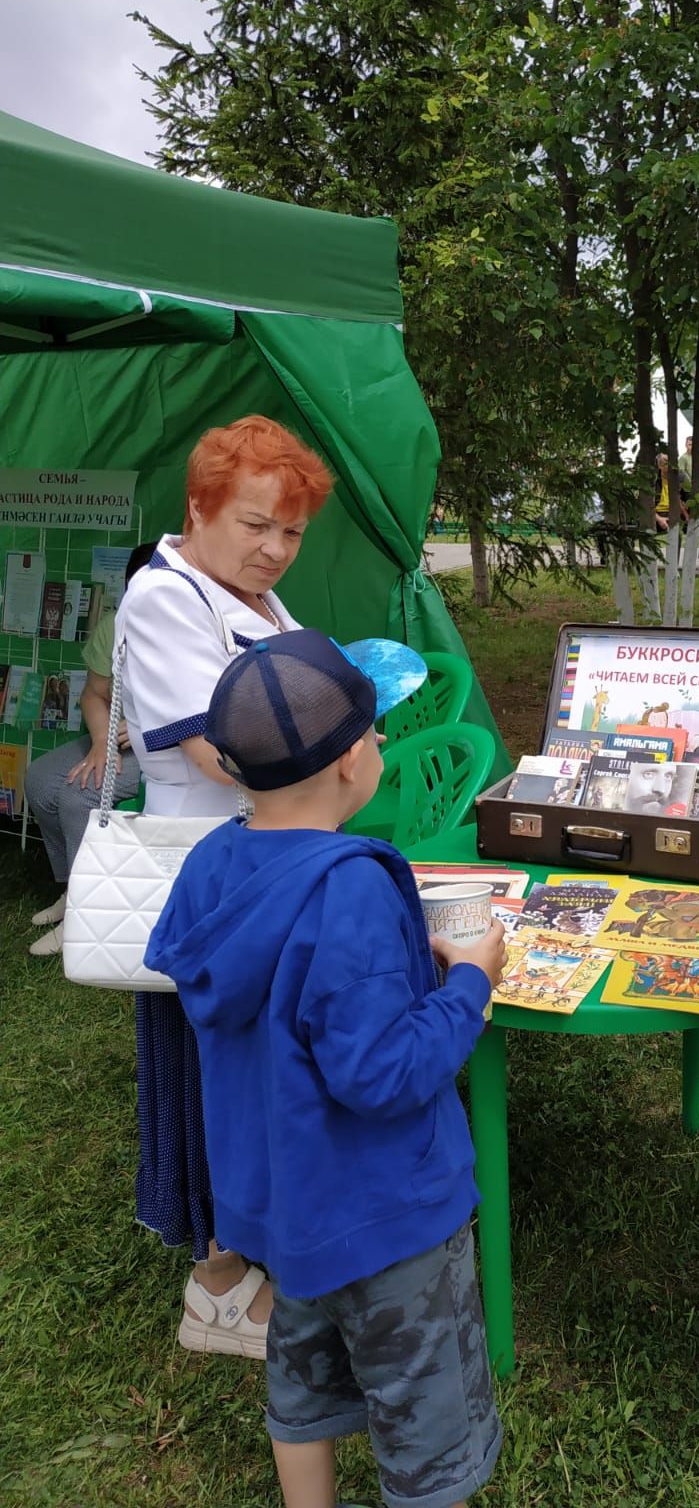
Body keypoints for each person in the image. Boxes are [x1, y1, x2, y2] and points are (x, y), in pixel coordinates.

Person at [145, 629, 504, 1508]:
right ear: (352, 762)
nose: (382, 746)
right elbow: (379, 1073)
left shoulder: (211, 863)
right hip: (390, 1222)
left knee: (301, 1390)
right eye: (378, 734)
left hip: (283, 1215)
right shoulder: (348, 886)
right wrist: (468, 985)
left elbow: (274, 989)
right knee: (427, 1427)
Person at [118, 415, 333, 1358]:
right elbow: (223, 750)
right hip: (205, 880)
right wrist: (332, 763)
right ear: (199, 507)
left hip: (263, 871)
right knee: (203, 1073)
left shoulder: (250, 599)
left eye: (291, 532)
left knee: (251, 1073)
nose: (275, 550)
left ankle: (257, 1251)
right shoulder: (164, 600)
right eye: (256, 525)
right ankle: (214, 1283)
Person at [24, 541, 156, 955]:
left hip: (168, 746)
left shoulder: (193, 630)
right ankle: (70, 891)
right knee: (41, 781)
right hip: (115, 734)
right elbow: (94, 694)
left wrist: (142, 732)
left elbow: (207, 707)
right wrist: (101, 743)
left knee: (80, 794)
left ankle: (87, 913)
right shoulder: (115, 625)